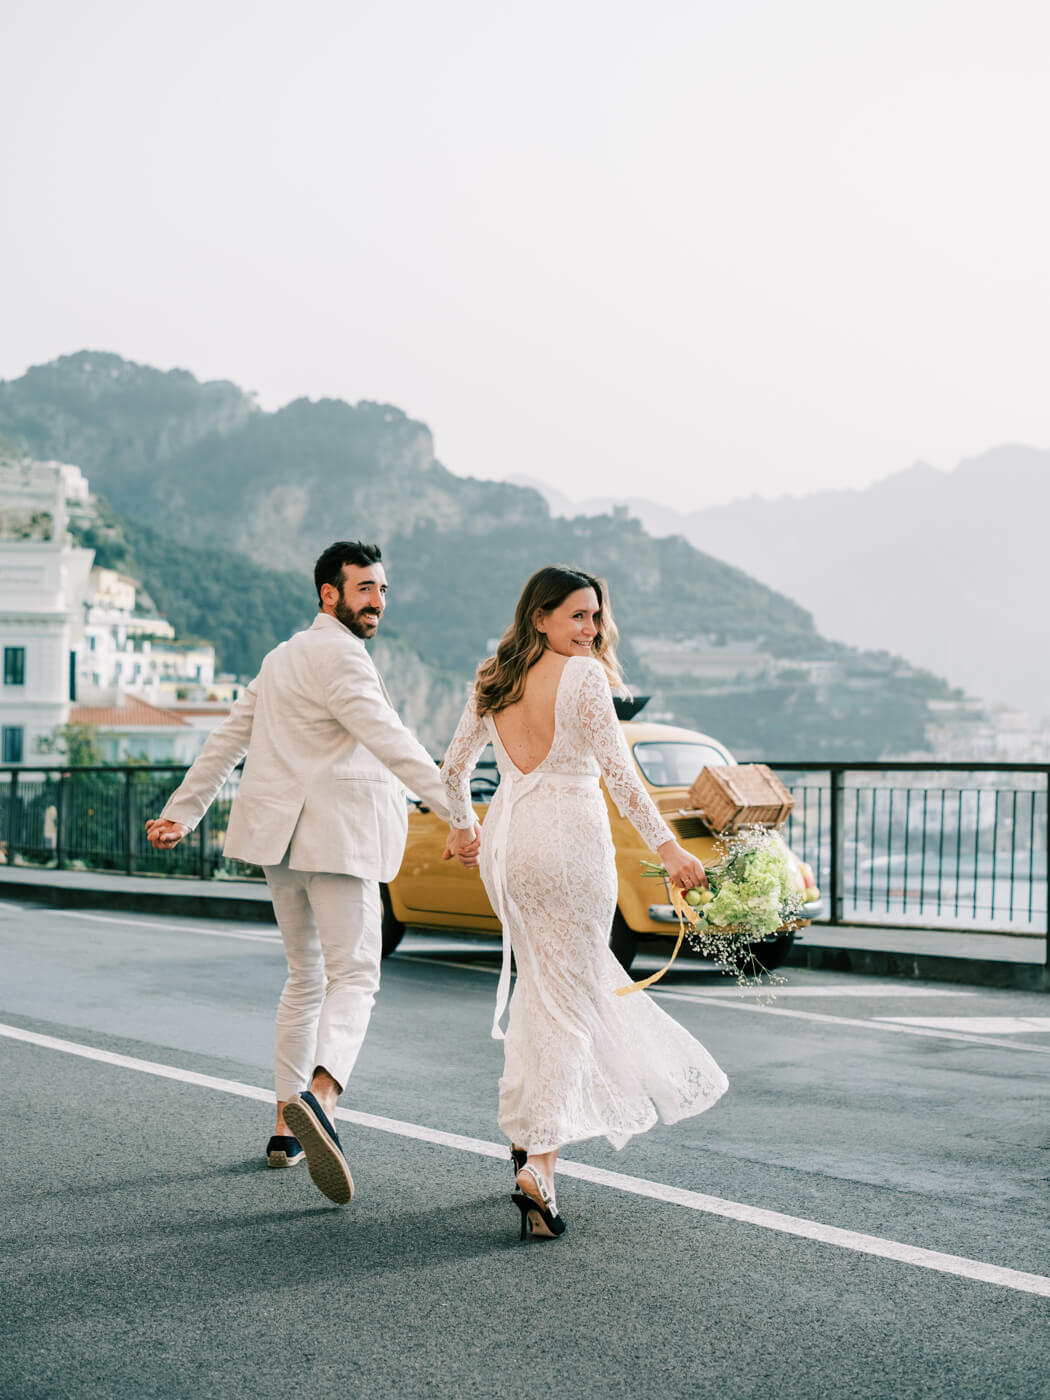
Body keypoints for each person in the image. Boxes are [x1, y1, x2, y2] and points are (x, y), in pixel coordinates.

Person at [146, 541, 479, 1205]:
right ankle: (321, 1098)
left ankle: (283, 1126)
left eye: (382, 589)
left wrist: (182, 812)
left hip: (280, 841)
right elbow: (393, 743)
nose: (377, 601)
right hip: (337, 840)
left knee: (305, 978)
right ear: (329, 594)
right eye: (364, 590)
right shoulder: (340, 657)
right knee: (357, 973)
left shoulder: (282, 656)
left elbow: (227, 739)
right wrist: (460, 814)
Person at [441, 565, 729, 1240]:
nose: (591, 630)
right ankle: (540, 1165)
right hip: (570, 843)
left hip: (511, 844)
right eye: (577, 616)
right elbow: (622, 778)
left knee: (542, 990)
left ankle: (524, 1137)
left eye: (595, 617)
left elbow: (454, 769)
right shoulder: (587, 678)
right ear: (538, 616)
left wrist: (463, 825)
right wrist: (670, 851)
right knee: (569, 1003)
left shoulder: (494, 676)